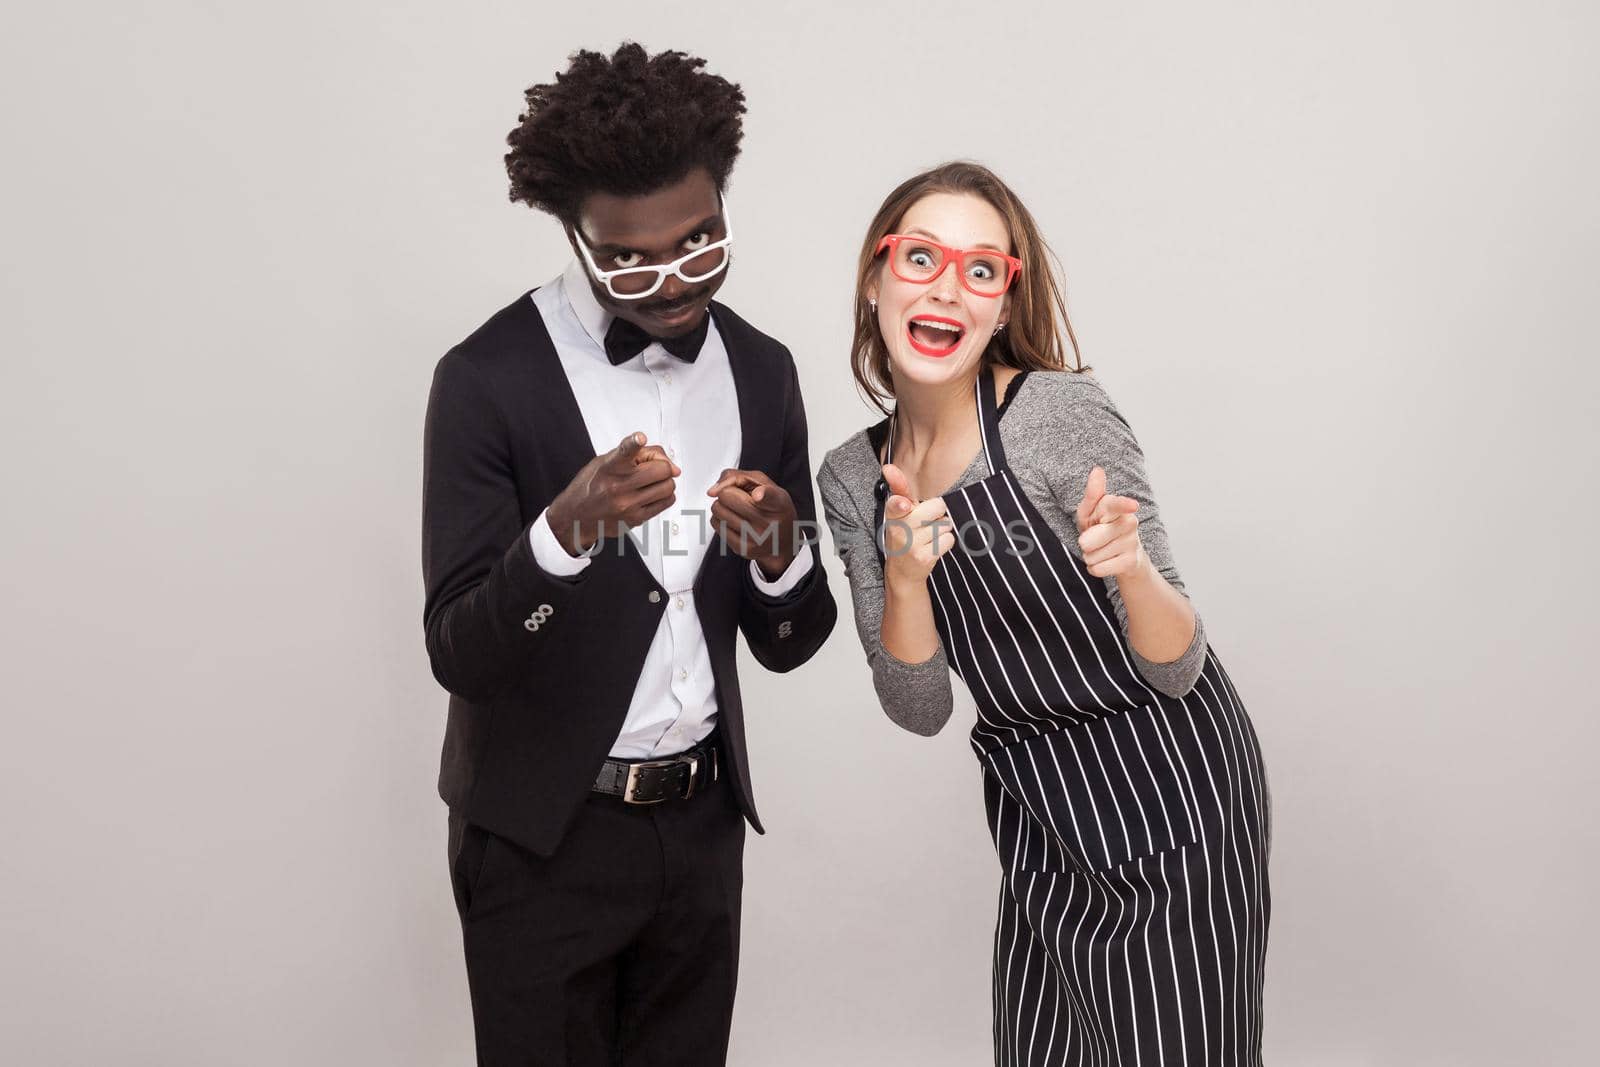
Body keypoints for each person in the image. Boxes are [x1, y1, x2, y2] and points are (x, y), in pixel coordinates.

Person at [420, 43, 837, 1065]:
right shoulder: (485, 378)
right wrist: (563, 533)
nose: (676, 280)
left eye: (701, 241)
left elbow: (790, 641)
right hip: (539, 841)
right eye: (633, 258)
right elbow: (460, 651)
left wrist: (783, 556)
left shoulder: (762, 369)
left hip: (700, 834)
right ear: (576, 233)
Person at [817, 161, 1270, 1066]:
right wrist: (907, 580)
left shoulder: (1057, 414)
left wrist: (1130, 569)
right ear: (875, 278)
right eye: (921, 257)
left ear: (1000, 303)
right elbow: (921, 708)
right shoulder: (850, 478)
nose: (950, 285)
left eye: (983, 269)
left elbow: (1177, 666)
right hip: (1041, 807)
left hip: (1174, 793)